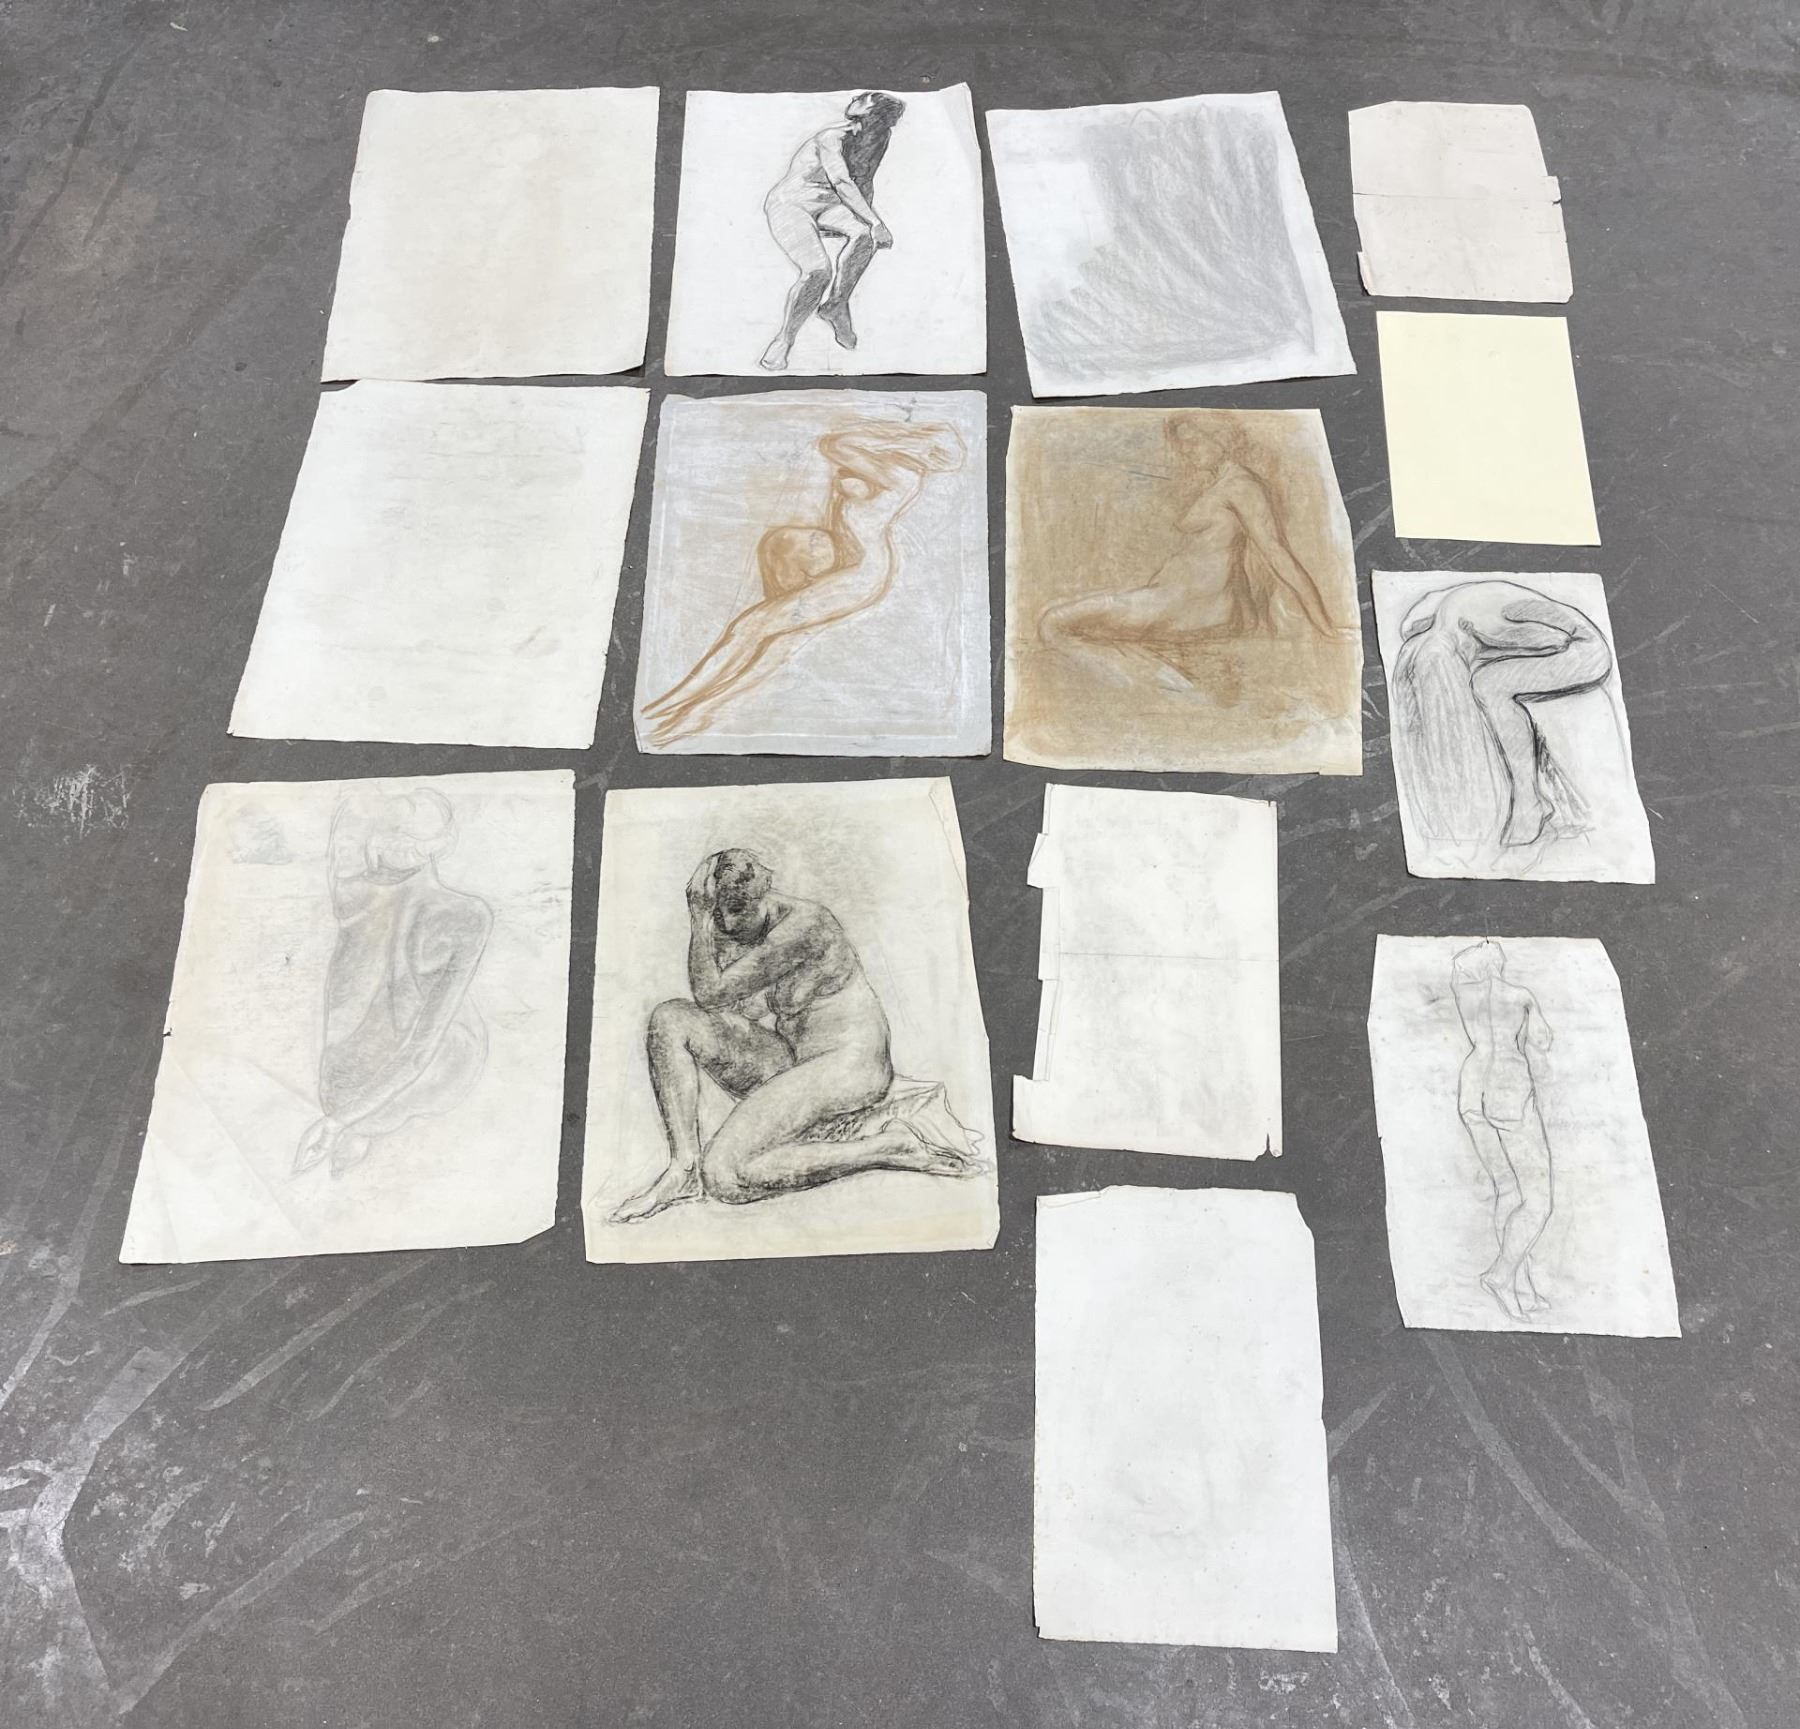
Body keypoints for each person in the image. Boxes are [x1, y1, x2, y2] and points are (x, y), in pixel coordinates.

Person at [610, 849, 981, 1223]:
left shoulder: (806, 925)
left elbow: (711, 993)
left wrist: (698, 918)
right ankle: (684, 1165)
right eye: (719, 913)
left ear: (762, 894)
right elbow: (731, 1009)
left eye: (737, 910)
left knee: (724, 1175)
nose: (728, 923)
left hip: (850, 1065)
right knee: (670, 1019)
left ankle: (888, 1147)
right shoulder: (733, 928)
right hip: (796, 1060)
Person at [639, 419, 963, 746]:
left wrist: (900, 440)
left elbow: (835, 445)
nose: (928, 457)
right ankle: (698, 711)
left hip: (861, 573)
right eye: (931, 449)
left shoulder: (902, 476)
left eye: (933, 454)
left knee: (752, 626)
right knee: (778, 643)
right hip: (847, 566)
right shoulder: (889, 462)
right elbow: (838, 447)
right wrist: (901, 439)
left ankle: (677, 704)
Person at [1038, 415, 1349, 692]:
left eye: (1193, 442)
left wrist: (1324, 625)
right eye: (1182, 445)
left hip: (1188, 607)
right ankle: (1162, 676)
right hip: (1172, 600)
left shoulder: (1242, 487)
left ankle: (1164, 682)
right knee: (1066, 625)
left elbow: (1277, 553)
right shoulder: (1221, 483)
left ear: (1220, 438)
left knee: (1053, 623)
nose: (1186, 451)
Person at [294, 790, 491, 1178]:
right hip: (437, 1057)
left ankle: (354, 1141)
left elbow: (419, 1050)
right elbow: (419, 1048)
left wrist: (338, 1121)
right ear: (440, 844)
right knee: (358, 1103)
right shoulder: (470, 915)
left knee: (355, 1103)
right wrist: (337, 1122)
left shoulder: (350, 892)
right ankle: (355, 1140)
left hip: (424, 1061)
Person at [1393, 580, 1613, 854]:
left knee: (1488, 684)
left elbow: (1559, 639)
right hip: (1506, 628)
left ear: (1469, 630)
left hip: (1586, 649)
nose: (1467, 658)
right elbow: (1411, 630)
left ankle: (1529, 802)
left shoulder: (1495, 623)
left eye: (1462, 656)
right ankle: (1530, 803)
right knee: (1484, 677)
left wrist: (1501, 645)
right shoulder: (1428, 619)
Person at [760, 91, 906, 371]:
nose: (854, 98)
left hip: (829, 205)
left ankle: (837, 304)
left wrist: (867, 222)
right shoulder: (832, 137)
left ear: (873, 114)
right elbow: (841, 181)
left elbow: (864, 181)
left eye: (863, 98)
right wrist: (875, 221)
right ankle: (784, 339)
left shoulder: (880, 139)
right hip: (790, 204)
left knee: (864, 236)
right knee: (818, 271)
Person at [1451, 940, 1555, 1322]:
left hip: (1472, 1089)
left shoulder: (1464, 993)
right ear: (1499, 962)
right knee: (1538, 1201)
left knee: (1508, 1188)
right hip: (1508, 1090)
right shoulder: (1520, 996)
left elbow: (1460, 973)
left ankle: (1520, 1287)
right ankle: (1501, 1276)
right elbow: (1542, 1041)